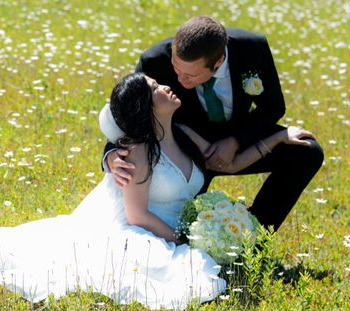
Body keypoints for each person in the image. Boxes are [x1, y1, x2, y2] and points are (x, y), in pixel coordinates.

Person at [0, 73, 313, 310]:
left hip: (166, 226)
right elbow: (136, 216)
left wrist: (278, 137)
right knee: (168, 276)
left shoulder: (182, 132)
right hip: (141, 230)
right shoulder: (137, 151)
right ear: (145, 106)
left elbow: (227, 163)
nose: (168, 89)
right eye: (157, 88)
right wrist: (183, 238)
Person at [104, 16, 323, 232]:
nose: (179, 80)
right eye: (176, 68)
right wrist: (112, 154)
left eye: (190, 75)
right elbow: (130, 111)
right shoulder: (154, 60)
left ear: (218, 63)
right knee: (184, 220)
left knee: (307, 151)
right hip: (185, 149)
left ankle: (252, 236)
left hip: (240, 133)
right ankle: (207, 235)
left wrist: (236, 141)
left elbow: (273, 107)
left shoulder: (252, 48)